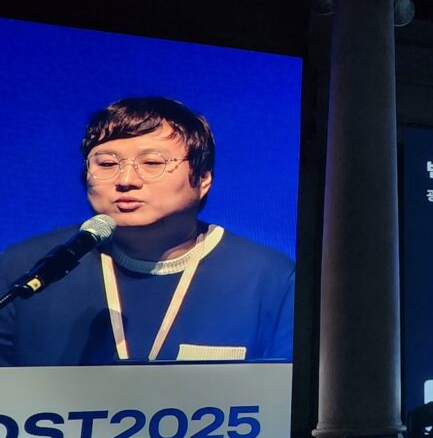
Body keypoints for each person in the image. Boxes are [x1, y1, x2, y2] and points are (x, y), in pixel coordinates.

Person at [0, 97, 294, 366]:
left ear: (203, 179)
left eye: (152, 163)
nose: (126, 180)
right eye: (107, 164)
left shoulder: (269, 277)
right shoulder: (28, 269)